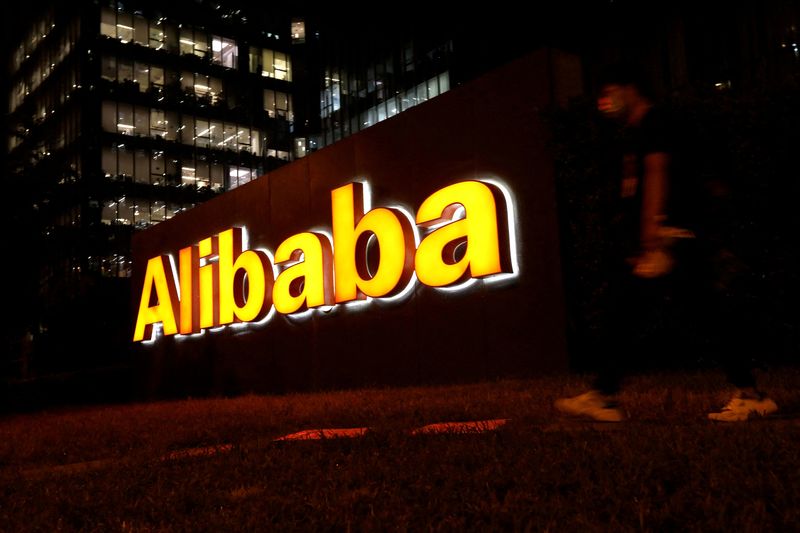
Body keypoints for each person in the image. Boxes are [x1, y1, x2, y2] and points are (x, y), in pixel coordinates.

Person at [554, 65, 778, 423]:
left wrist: (651, 234)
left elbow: (657, 173)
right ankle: (605, 394)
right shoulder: (639, 130)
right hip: (671, 237)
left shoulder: (656, 123)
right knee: (678, 312)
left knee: (655, 312)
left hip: (671, 237)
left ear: (632, 89)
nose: (605, 102)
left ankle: (605, 395)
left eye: (610, 91)